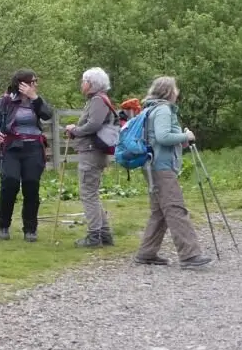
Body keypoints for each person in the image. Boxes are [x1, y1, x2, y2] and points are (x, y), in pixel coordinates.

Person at [133, 75, 210, 270]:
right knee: (175, 208)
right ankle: (190, 255)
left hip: (152, 165)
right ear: (169, 91)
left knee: (159, 211)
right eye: (175, 89)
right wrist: (186, 135)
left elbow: (159, 137)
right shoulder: (163, 110)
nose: (177, 92)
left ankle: (147, 253)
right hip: (162, 167)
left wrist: (180, 139)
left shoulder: (150, 109)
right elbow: (163, 137)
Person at [0, 70, 53, 242]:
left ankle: (30, 228)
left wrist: (35, 97)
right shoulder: (7, 101)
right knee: (9, 183)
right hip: (12, 147)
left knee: (31, 186)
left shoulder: (36, 101)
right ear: (22, 84)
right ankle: (3, 224)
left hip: (33, 148)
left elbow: (48, 115)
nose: (36, 84)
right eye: (33, 81)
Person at [64, 67, 117, 249]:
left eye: (84, 81)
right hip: (94, 151)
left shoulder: (97, 100)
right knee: (91, 193)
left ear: (91, 83)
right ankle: (104, 233)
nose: (82, 84)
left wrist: (75, 131)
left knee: (88, 194)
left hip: (91, 152)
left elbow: (93, 124)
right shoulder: (99, 100)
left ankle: (94, 235)